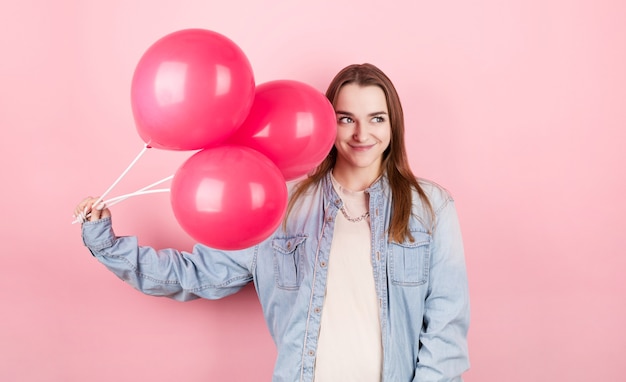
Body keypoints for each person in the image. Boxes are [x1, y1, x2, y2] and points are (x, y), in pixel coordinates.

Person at [74, 63, 470, 381]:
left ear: (393, 124)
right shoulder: (281, 203)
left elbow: (446, 327)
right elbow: (198, 274)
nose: (361, 133)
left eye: (376, 118)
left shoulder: (430, 207)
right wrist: (105, 242)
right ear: (328, 123)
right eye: (346, 119)